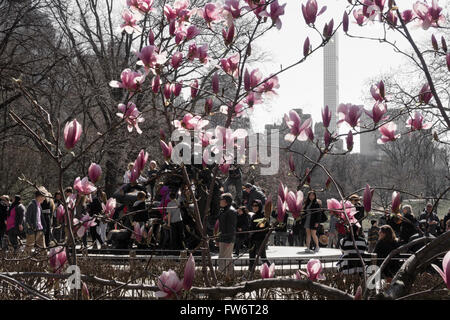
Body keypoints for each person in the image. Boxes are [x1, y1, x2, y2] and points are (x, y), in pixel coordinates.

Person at [217, 193, 237, 276]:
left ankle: (220, 277)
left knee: (223, 259)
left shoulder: (230, 211)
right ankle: (230, 277)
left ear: (225, 201)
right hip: (223, 238)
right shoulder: (224, 210)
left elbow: (231, 227)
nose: (219, 201)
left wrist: (229, 240)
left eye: (221, 199)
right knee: (228, 259)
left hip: (227, 239)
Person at [248, 199, 270, 271]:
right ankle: (250, 274)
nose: (254, 207)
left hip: (260, 240)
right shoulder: (253, 216)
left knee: (263, 257)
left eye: (256, 205)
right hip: (252, 240)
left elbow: (262, 228)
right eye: (253, 206)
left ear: (259, 206)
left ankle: (270, 271)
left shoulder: (264, 216)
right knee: (251, 258)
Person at [25, 189, 48, 254]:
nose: (44, 199)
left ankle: (42, 263)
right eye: (43, 197)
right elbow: (27, 219)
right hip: (33, 231)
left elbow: (40, 218)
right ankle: (24, 263)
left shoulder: (39, 205)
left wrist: (44, 227)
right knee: (29, 249)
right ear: (39, 196)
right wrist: (31, 228)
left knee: (43, 249)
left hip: (40, 230)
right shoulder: (31, 205)